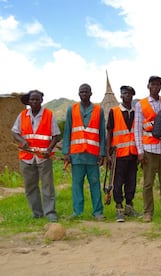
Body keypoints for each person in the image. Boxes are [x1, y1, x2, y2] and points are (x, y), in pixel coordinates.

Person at [134, 75, 161, 222]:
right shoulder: (141, 104)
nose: (156, 87)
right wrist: (140, 151)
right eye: (153, 84)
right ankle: (148, 212)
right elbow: (138, 129)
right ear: (148, 86)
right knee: (148, 182)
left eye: (158, 85)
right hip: (149, 148)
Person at [11, 90, 60, 222]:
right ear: (28, 101)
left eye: (37, 99)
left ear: (41, 101)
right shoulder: (22, 115)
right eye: (32, 100)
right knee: (30, 186)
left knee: (47, 186)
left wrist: (49, 150)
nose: (34, 102)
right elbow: (15, 132)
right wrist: (22, 141)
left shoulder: (49, 115)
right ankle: (37, 213)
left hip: (44, 157)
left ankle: (50, 213)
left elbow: (56, 135)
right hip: (26, 157)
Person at [62, 83, 106, 220]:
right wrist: (66, 152)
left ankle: (98, 212)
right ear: (78, 94)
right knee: (77, 184)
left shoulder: (99, 110)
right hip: (76, 155)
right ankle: (77, 212)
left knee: (94, 183)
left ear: (91, 93)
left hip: (93, 155)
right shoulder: (72, 109)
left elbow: (102, 134)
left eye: (86, 92)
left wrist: (102, 153)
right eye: (82, 92)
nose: (84, 94)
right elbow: (67, 131)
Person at [106, 85, 140, 222]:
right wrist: (108, 153)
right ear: (121, 96)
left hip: (133, 153)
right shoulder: (114, 111)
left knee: (131, 181)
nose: (127, 96)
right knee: (118, 181)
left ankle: (129, 206)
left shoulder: (136, 112)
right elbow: (109, 132)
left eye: (130, 94)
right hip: (119, 154)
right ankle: (119, 208)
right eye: (125, 93)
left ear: (132, 96)